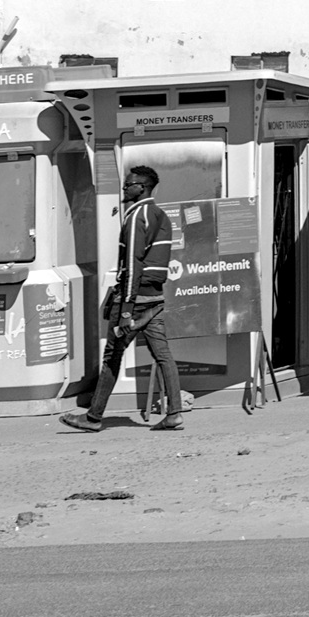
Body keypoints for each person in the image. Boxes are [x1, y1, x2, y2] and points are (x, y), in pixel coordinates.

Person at [61, 163, 183, 432]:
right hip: (155, 300)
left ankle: (93, 417)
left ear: (142, 187)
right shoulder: (160, 215)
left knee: (112, 357)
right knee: (163, 355)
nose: (125, 188)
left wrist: (126, 309)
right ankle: (174, 413)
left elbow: (133, 264)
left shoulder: (137, 216)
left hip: (134, 302)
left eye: (129, 185)